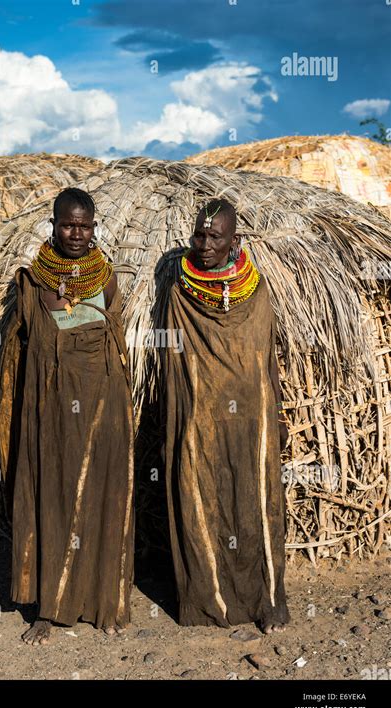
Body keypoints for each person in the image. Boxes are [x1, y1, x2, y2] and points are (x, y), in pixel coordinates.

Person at [0, 188, 135, 644]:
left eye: (85, 225)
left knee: (103, 494)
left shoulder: (107, 278)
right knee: (52, 496)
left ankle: (103, 600)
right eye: (69, 225)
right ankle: (50, 609)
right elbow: (20, 353)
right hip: (51, 409)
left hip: (103, 406)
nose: (77, 233)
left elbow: (115, 347)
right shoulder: (32, 282)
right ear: (53, 226)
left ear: (95, 227)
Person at [163, 198, 290, 634]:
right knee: (201, 490)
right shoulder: (180, 293)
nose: (203, 244)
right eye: (199, 234)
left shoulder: (255, 291)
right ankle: (207, 602)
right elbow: (176, 364)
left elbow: (263, 358)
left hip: (252, 418)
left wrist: (272, 410)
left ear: (234, 240)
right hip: (202, 415)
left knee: (258, 497)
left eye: (215, 236)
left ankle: (267, 600)